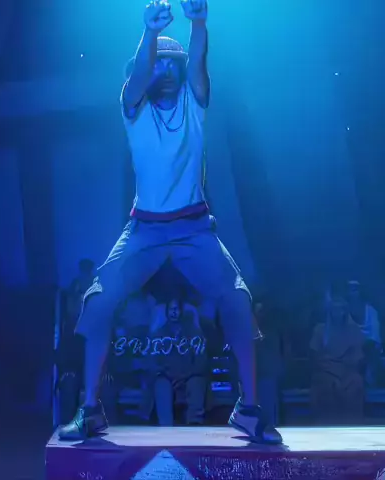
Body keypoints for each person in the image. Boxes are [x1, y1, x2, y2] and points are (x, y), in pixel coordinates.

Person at [59, 0, 282, 444]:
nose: (163, 69)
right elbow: (138, 74)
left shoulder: (194, 105)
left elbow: (198, 62)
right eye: (156, 63)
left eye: (171, 63)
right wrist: (148, 32)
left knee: (238, 302)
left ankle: (248, 411)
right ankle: (91, 410)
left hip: (194, 228)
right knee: (97, 303)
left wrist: (198, 22)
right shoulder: (133, 109)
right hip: (144, 229)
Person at [310, 293, 366, 424]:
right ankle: (327, 424)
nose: (338, 313)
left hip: (348, 370)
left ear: (345, 311)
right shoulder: (320, 330)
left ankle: (352, 424)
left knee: (355, 383)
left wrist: (346, 369)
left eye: (341, 309)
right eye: (334, 309)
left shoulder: (354, 330)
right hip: (326, 370)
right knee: (326, 386)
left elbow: (358, 356)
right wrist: (329, 368)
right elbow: (314, 355)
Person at [151, 298, 208, 425]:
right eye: (171, 309)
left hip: (189, 376)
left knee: (197, 382)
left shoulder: (195, 333)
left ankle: (194, 423)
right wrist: (169, 375)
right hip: (167, 377)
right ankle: (165, 426)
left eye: (176, 309)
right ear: (166, 312)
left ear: (181, 311)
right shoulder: (158, 335)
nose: (174, 312)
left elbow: (201, 362)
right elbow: (154, 362)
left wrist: (184, 376)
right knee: (161, 384)